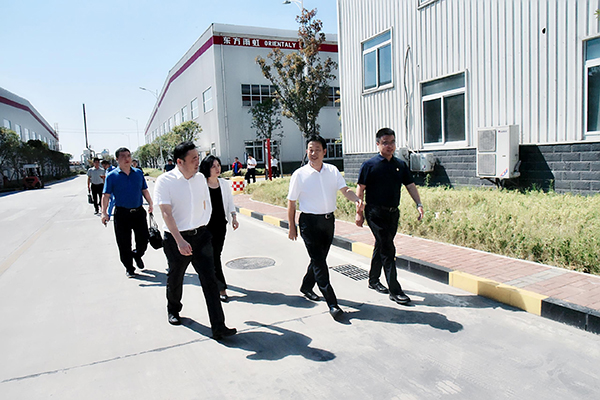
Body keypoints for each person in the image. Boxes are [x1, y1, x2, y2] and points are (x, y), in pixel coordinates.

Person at [154, 141, 236, 339]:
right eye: (193, 159)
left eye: (198, 158)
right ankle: (173, 309)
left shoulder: (200, 178)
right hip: (176, 238)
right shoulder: (165, 181)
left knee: (210, 280)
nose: (198, 162)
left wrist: (205, 227)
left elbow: (206, 203)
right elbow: (166, 213)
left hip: (201, 237)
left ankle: (219, 326)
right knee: (176, 277)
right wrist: (180, 241)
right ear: (179, 162)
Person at [287, 135, 363, 321]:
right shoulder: (299, 174)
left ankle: (306, 286)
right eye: (310, 150)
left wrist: (356, 199)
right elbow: (291, 202)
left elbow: (345, 190)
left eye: (317, 150)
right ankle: (332, 303)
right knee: (320, 262)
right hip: (309, 223)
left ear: (324, 152)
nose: (313, 153)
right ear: (307, 151)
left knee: (318, 259)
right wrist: (291, 226)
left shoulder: (332, 171)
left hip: (328, 222)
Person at [356, 127, 424, 305]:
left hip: (393, 214)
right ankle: (395, 290)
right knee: (388, 249)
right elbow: (360, 189)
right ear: (378, 144)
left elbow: (410, 185)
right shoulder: (369, 165)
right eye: (385, 143)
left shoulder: (400, 165)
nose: (390, 146)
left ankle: (373, 280)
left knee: (381, 245)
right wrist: (359, 213)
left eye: (392, 142)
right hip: (375, 213)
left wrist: (419, 204)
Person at [101, 148, 153, 278]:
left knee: (144, 239)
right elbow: (106, 195)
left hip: (138, 212)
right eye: (123, 156)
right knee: (124, 243)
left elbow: (144, 190)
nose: (127, 158)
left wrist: (150, 203)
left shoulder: (138, 173)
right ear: (117, 159)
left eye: (128, 155)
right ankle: (129, 267)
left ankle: (137, 254)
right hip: (122, 214)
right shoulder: (112, 176)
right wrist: (104, 212)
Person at [200, 155, 239, 303]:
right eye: (213, 166)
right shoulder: (201, 185)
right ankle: (221, 288)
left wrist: (234, 217)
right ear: (207, 169)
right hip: (205, 226)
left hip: (220, 225)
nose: (217, 169)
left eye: (218, 165)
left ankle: (215, 285)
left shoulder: (223, 183)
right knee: (211, 256)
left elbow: (229, 202)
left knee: (216, 255)